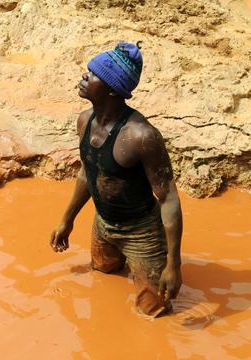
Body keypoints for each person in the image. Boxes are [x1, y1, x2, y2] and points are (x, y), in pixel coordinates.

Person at [50, 41, 183, 317]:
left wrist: (174, 264)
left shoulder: (141, 136)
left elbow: (168, 198)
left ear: (112, 89)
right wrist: (67, 219)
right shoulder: (85, 120)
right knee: (103, 276)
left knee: (153, 309)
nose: (84, 76)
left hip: (142, 233)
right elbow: (88, 172)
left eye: (93, 73)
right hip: (104, 225)